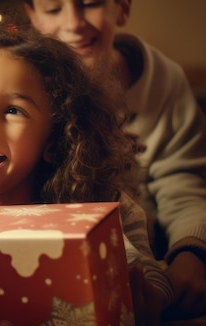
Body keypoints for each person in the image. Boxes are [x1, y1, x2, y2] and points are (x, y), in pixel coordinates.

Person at [0, 22, 172, 325]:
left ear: (53, 142)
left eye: (13, 110)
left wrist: (148, 297)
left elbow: (149, 276)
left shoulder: (100, 207)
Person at [22, 0, 206, 319]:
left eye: (91, 3)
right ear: (34, 17)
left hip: (157, 262)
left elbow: (183, 183)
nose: (74, 23)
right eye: (53, 9)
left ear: (122, 7)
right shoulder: (22, 86)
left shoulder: (162, 81)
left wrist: (191, 252)